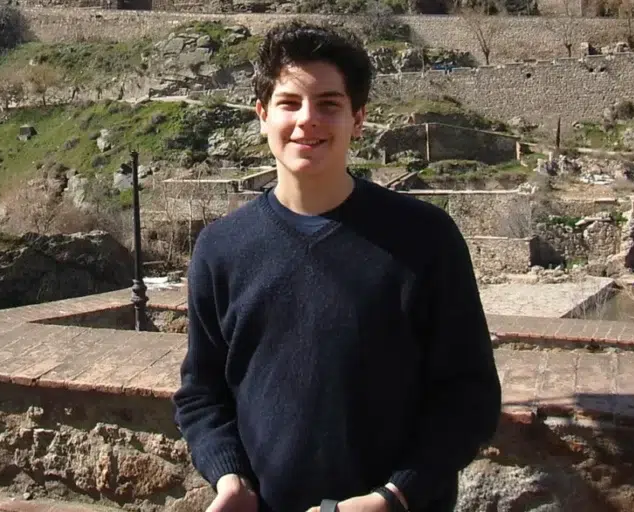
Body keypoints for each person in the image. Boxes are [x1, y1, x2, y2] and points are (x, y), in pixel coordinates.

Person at [172, 20, 501, 512]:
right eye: (289, 103)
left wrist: (393, 497)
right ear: (262, 115)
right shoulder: (221, 248)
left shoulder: (425, 239)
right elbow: (202, 394)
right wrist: (229, 479)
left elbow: (469, 398)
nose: (308, 120)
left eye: (329, 104)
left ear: (359, 119)